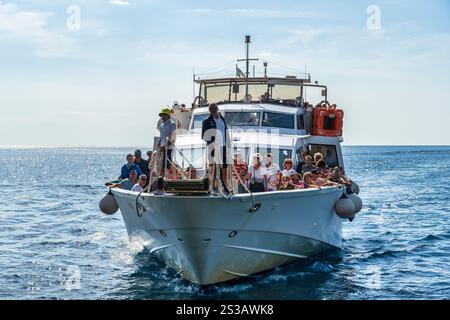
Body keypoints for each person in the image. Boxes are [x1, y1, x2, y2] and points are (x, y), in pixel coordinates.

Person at [202, 103, 231, 194]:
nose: (213, 110)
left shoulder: (222, 118)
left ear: (217, 108)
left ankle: (224, 186)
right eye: (211, 109)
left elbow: (225, 130)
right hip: (213, 147)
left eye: (214, 108)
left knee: (224, 166)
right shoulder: (206, 121)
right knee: (213, 167)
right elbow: (204, 136)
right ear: (209, 110)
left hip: (223, 146)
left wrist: (228, 143)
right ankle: (213, 187)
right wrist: (211, 143)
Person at [157, 107, 177, 178]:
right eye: (161, 115)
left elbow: (172, 138)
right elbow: (161, 137)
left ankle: (166, 178)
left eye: (163, 115)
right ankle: (162, 179)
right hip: (162, 149)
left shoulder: (172, 124)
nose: (162, 117)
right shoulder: (162, 125)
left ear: (167, 115)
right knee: (162, 165)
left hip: (169, 149)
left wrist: (165, 147)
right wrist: (158, 146)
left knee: (168, 165)